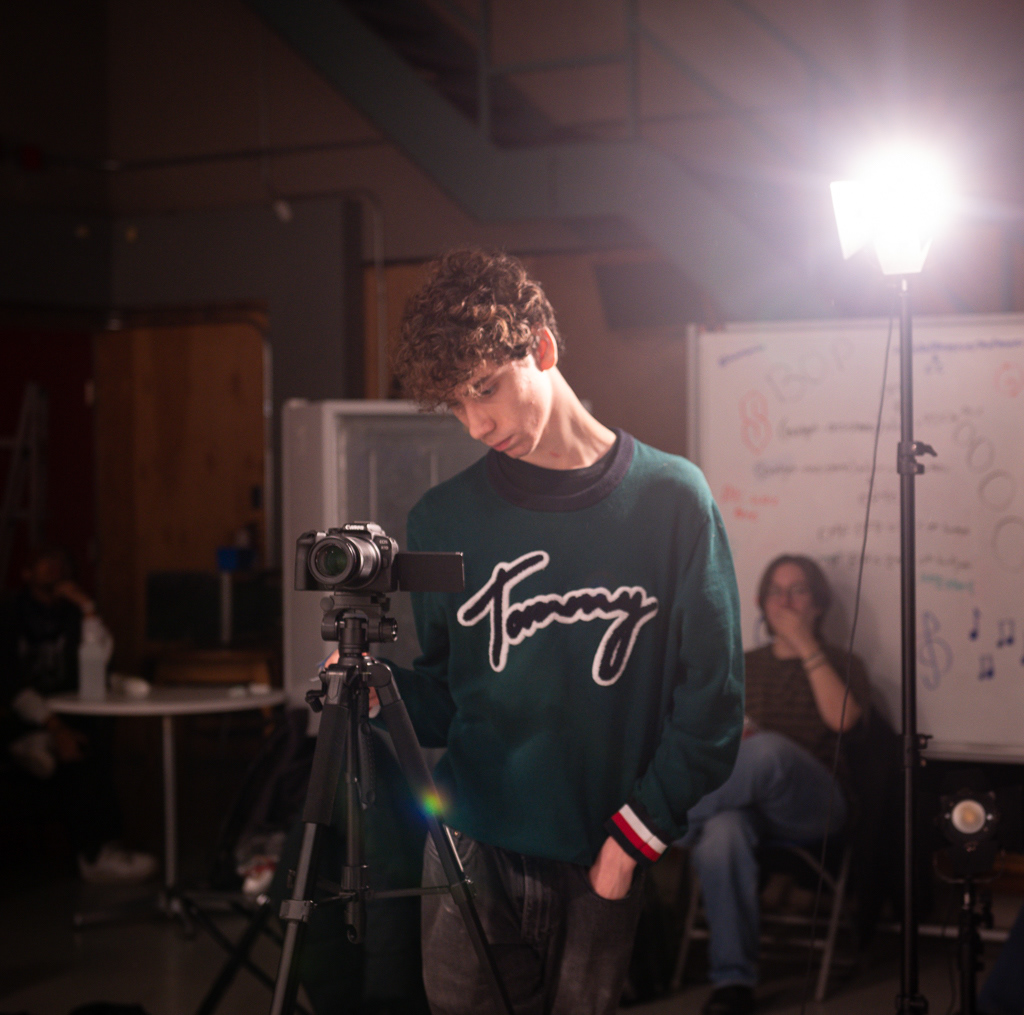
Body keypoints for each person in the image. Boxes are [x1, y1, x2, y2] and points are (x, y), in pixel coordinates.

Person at [378, 249, 744, 1014]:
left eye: (486, 388)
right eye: (455, 404)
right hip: (469, 850)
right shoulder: (442, 518)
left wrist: (632, 842)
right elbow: (451, 699)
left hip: (603, 853)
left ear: (541, 347)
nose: (476, 422)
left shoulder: (674, 499)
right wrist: (378, 691)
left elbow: (711, 708)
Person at [682, 554, 870, 1015]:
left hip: (814, 804)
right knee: (721, 833)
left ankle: (657, 822)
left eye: (798, 590)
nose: (785, 600)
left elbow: (843, 720)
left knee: (768, 752)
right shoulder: (740, 664)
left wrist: (807, 647)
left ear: (818, 604)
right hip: (742, 801)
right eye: (776, 591)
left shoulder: (843, 662)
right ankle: (733, 985)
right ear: (760, 604)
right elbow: (707, 737)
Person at [0, 546, 156, 883]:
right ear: (26, 574)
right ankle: (95, 852)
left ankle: (102, 847)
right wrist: (56, 729)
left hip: (67, 710)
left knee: (92, 739)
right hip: (19, 712)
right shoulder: (11, 614)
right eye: (44, 560)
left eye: (61, 561)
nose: (55, 566)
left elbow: (99, 661)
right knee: (76, 748)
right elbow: (10, 683)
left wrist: (87, 609)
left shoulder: (73, 615)